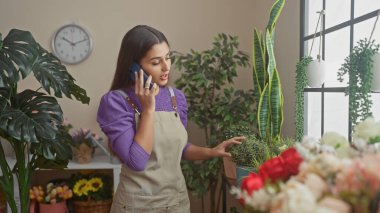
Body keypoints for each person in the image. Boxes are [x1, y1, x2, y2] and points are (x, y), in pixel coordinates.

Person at [97, 25, 245, 212]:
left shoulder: (176, 98)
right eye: (156, 61)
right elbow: (137, 162)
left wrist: (211, 152)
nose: (166, 67)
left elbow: (178, 149)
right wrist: (148, 109)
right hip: (137, 206)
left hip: (176, 203)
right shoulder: (116, 102)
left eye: (168, 57)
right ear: (135, 67)